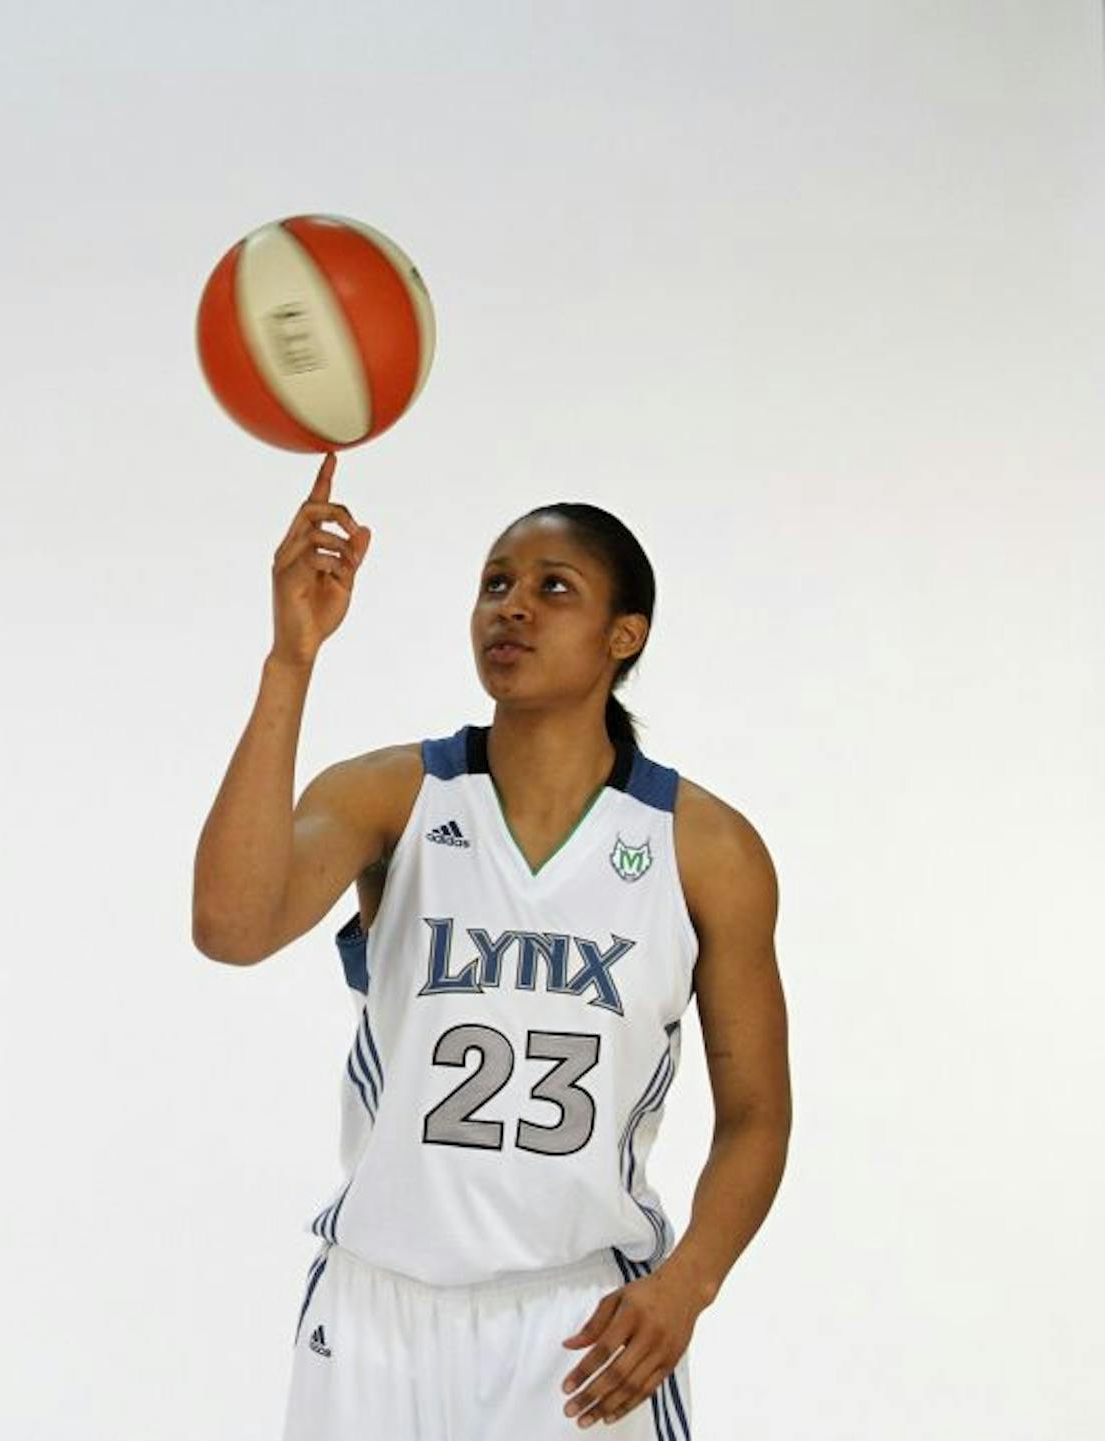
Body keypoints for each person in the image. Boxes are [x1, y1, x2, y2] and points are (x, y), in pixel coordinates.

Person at [192, 456, 790, 1439]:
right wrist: (290, 658)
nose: (512, 606)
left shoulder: (706, 847)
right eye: (495, 583)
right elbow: (229, 926)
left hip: (578, 1323)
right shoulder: (392, 794)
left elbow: (757, 1116)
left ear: (623, 635)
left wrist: (689, 1284)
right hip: (375, 1312)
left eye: (555, 587)